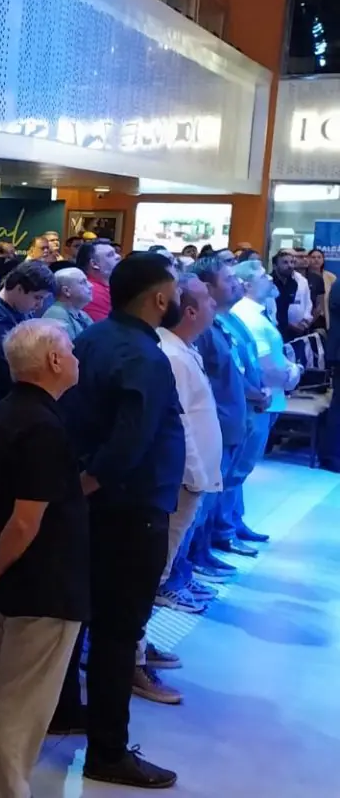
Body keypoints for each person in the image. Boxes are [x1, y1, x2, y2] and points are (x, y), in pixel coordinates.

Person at [62, 253, 185, 788]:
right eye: (174, 290)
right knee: (117, 633)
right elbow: (129, 441)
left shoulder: (92, 338)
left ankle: (66, 710)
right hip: (131, 511)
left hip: (100, 507)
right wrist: (88, 484)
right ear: (159, 298)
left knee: (79, 620)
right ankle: (108, 752)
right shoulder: (145, 356)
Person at [0, 319, 85, 798]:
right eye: (70, 351)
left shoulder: (2, 414)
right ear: (53, 360)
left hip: (9, 577)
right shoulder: (44, 427)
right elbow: (25, 521)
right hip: (42, 583)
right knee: (22, 704)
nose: (75, 358)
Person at [150, 273, 223, 629]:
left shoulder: (184, 349)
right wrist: (194, 476)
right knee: (155, 568)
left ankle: (138, 644)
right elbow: (178, 423)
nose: (214, 304)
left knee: (164, 560)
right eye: (208, 300)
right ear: (191, 312)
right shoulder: (172, 356)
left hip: (192, 478)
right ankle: (135, 649)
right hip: (183, 480)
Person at [185, 258, 257, 581]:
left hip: (230, 424)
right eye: (228, 279)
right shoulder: (202, 331)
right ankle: (187, 566)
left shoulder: (222, 323)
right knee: (199, 505)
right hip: (215, 425)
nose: (235, 284)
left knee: (213, 500)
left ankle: (202, 554)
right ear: (208, 287)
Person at [224, 261, 296, 549]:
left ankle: (235, 521)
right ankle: (225, 531)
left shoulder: (257, 312)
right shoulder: (248, 316)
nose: (270, 278)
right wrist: (293, 374)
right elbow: (262, 369)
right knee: (237, 471)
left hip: (267, 400)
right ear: (247, 284)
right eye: (263, 275)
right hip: (258, 401)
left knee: (240, 471)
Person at [0, 261, 55, 400]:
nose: (39, 305)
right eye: (37, 297)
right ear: (19, 289)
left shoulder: (20, 309)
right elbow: (11, 368)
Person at [44, 266, 95, 340]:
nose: (91, 285)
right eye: (83, 282)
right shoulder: (56, 316)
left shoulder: (82, 314)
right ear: (66, 291)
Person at [271, 249, 311, 340]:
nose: (290, 266)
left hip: (292, 332)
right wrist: (290, 325)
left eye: (292, 262)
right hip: (273, 331)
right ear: (275, 266)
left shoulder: (293, 283)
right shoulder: (269, 282)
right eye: (285, 262)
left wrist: (303, 323)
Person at [77, 239, 120, 324]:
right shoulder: (91, 291)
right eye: (110, 255)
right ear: (94, 264)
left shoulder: (110, 286)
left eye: (115, 253)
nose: (118, 256)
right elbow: (108, 328)